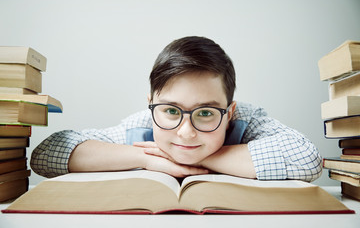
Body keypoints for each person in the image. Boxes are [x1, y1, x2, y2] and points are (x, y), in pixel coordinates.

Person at [30, 36, 322, 181]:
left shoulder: (248, 118)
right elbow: (45, 155)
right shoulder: (143, 124)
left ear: (230, 112)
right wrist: (147, 159)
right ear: (151, 105)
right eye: (171, 111)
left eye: (206, 113)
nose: (185, 133)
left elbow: (307, 159)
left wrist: (198, 160)